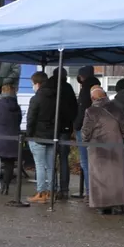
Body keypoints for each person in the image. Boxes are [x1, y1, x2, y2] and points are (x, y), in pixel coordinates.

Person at [82, 85, 124, 214]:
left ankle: (102, 205)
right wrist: (119, 139)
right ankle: (117, 204)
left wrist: (86, 142)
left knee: (99, 177)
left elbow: (86, 132)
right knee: (116, 176)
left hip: (98, 149)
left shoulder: (90, 111)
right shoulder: (117, 109)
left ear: (92, 98)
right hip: (116, 147)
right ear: (105, 95)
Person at [45, 67, 79, 200]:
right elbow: (74, 109)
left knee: (50, 159)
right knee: (63, 159)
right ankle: (64, 189)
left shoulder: (47, 87)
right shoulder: (68, 88)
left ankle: (52, 188)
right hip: (64, 128)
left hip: (50, 128)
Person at [26, 71, 57, 203]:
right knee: (50, 166)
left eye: (33, 83)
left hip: (37, 135)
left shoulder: (36, 99)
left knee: (39, 165)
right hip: (51, 135)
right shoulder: (55, 97)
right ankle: (51, 192)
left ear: (37, 84)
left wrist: (29, 134)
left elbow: (31, 118)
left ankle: (41, 193)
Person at [73, 66, 101, 197]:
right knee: (96, 161)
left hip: (84, 129)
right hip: (98, 130)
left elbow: (81, 111)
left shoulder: (85, 90)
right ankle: (95, 191)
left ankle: (90, 192)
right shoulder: (98, 89)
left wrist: (76, 127)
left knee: (85, 161)